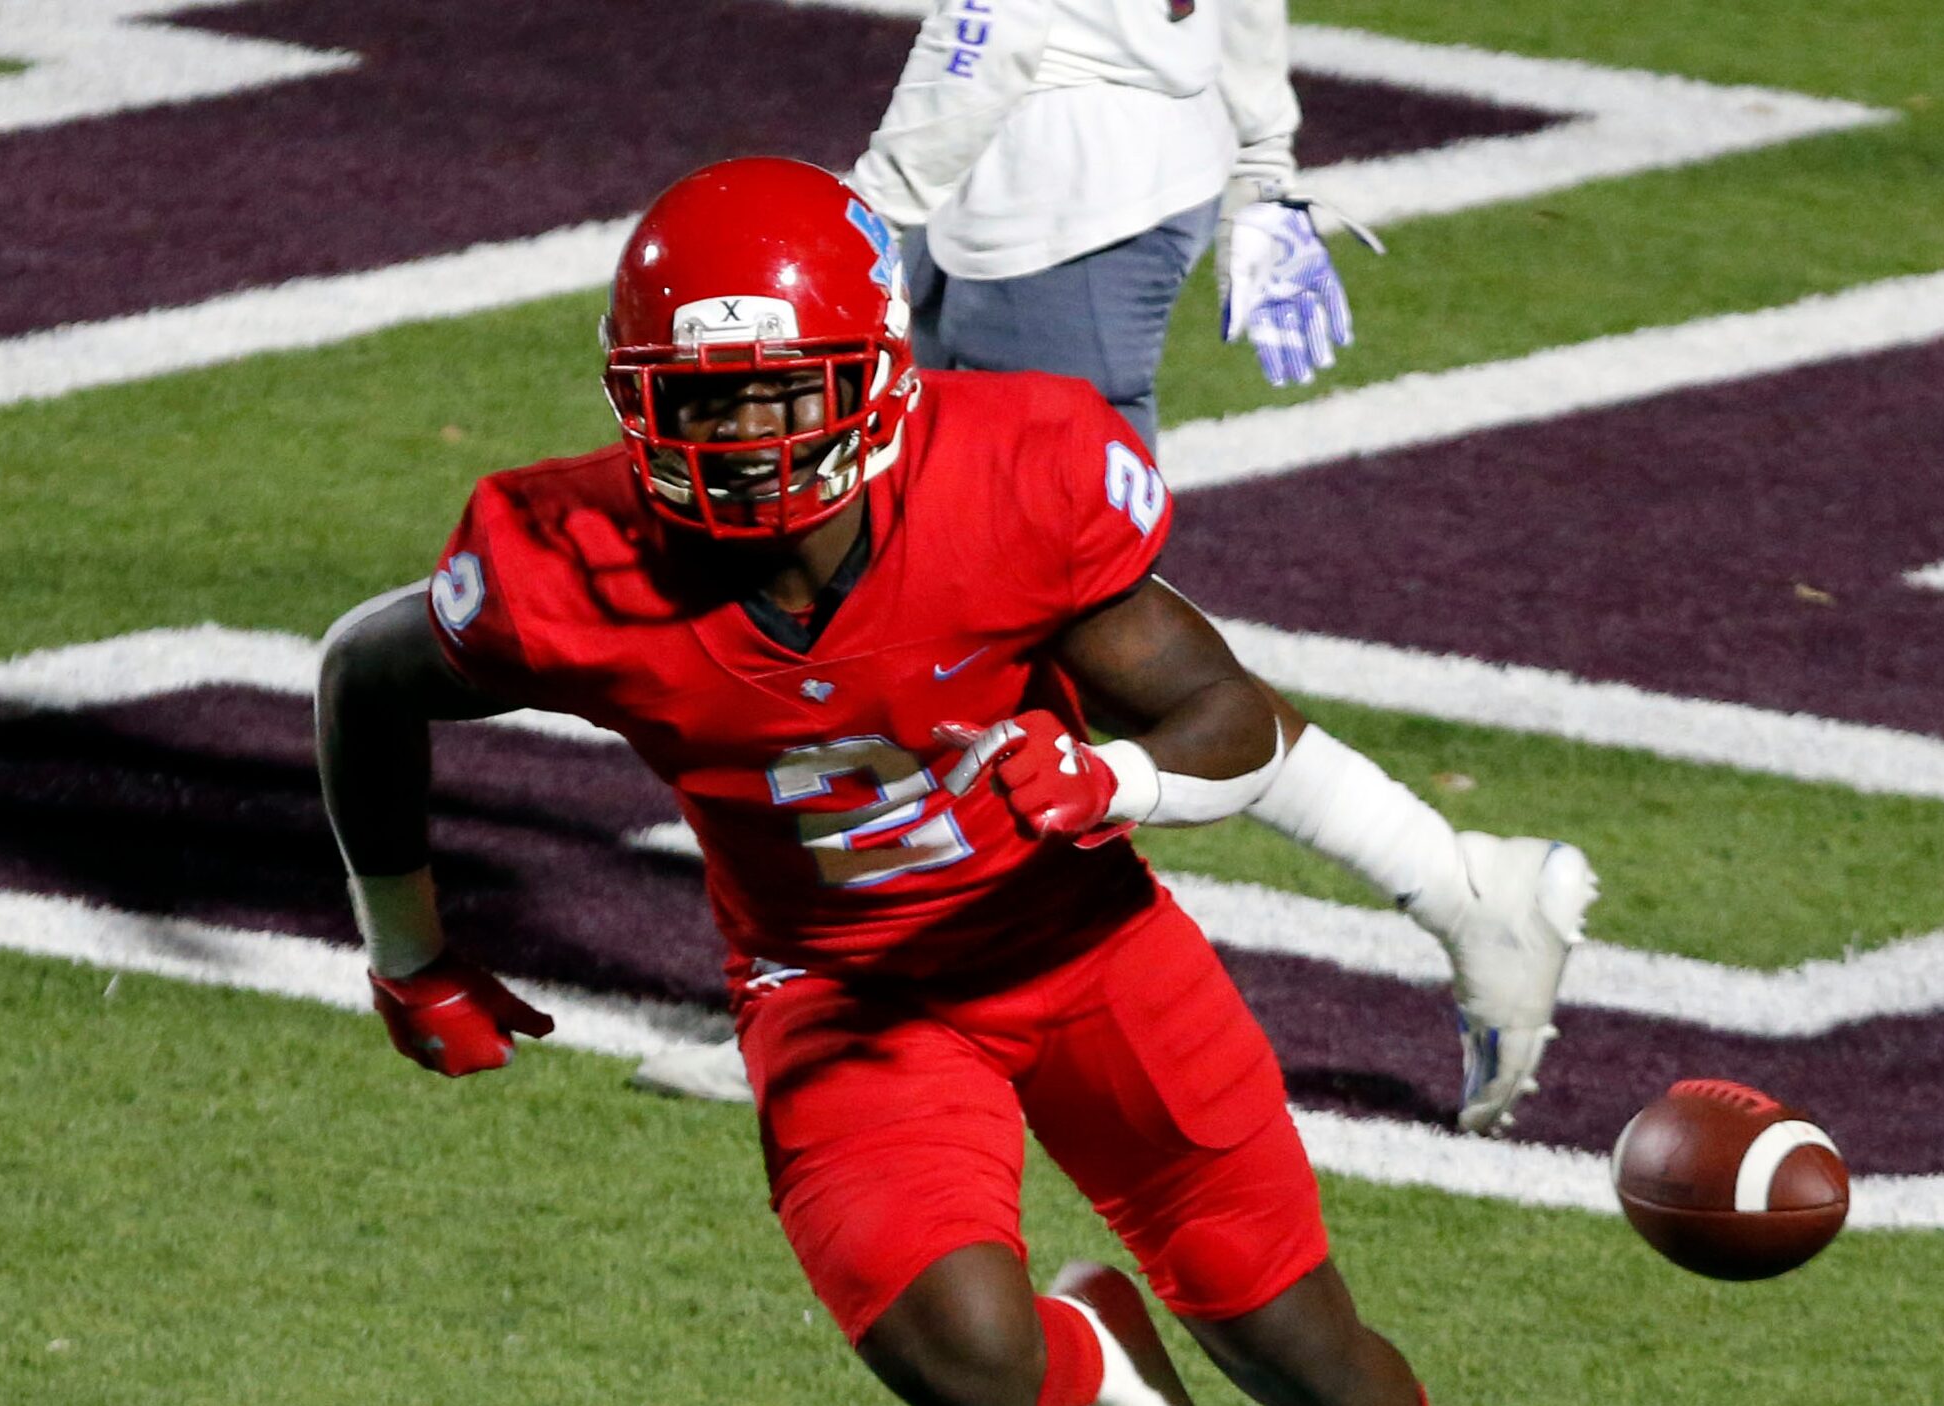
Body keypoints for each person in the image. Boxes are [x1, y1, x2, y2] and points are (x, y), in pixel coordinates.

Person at [317, 158, 1559, 1406]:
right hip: (840, 994)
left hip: (1084, 949)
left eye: (778, 392)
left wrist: (1124, 789)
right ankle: (1100, 1361)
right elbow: (365, 672)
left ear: (882, 374)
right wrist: (408, 949)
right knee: (968, 1373)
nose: (746, 437)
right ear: (635, 401)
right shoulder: (571, 564)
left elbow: (1219, 712)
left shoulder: (1011, 481)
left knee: (1297, 1345)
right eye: (703, 400)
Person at [633, 4, 1582, 1128]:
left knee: (1003, 622)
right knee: (956, 606)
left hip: (1042, 194)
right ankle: (1457, 884)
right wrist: (1262, 157)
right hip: (1108, 164)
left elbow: (994, 21)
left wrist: (868, 220)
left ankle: (1460, 886)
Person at [848, 0, 1367, 449]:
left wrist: (869, 214)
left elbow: (987, 35)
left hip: (1054, 184)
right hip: (1173, 142)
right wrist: (1262, 154)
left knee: (1050, 487)